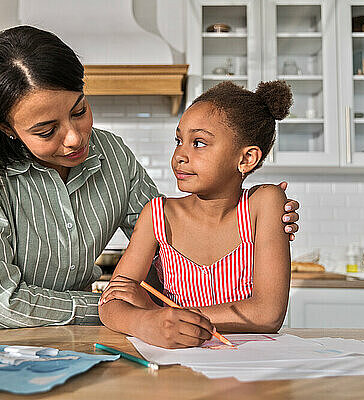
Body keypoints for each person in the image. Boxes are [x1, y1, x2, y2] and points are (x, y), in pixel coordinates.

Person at [0, 25, 300, 329]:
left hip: (96, 339)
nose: (75, 138)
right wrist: (121, 313)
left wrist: (254, 223)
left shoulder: (111, 154)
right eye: (47, 130)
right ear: (7, 128)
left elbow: (170, 244)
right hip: (8, 345)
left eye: (79, 110)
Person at [98, 81, 293, 348]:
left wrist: (163, 316)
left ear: (246, 159)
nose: (180, 155)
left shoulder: (265, 202)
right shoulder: (158, 214)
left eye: (199, 143)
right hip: (177, 364)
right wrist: (145, 323)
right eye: (179, 141)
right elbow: (110, 303)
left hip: (248, 366)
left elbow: (268, 314)